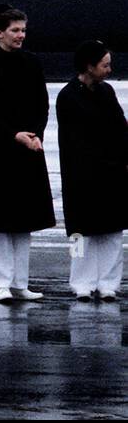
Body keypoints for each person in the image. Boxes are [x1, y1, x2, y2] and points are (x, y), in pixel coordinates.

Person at [0, 6, 55, 302]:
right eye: (15, 30)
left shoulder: (32, 62)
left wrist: (35, 133)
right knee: (1, 218)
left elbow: (42, 103)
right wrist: (14, 135)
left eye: (23, 30)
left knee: (26, 217)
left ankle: (20, 282)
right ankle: (1, 283)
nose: (21, 35)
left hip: (29, 146)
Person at [57, 41, 128, 300]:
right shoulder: (68, 96)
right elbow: (73, 139)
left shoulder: (106, 92)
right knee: (80, 232)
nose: (109, 70)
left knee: (111, 231)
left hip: (110, 172)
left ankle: (109, 282)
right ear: (90, 66)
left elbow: (121, 128)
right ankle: (80, 282)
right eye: (105, 65)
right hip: (81, 174)